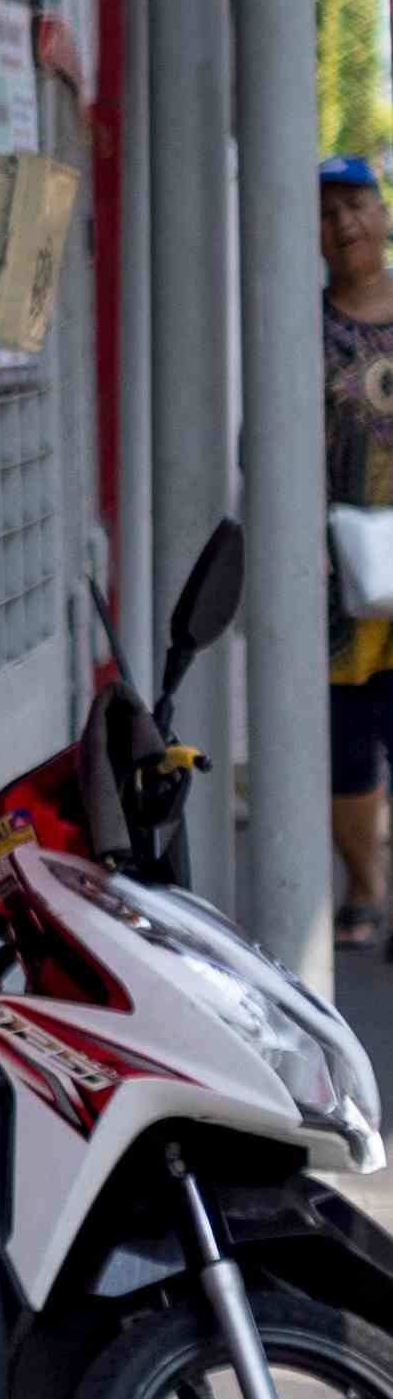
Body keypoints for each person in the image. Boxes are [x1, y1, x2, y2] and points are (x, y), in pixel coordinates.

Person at [324, 163, 389, 957]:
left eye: (357, 205)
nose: (346, 223)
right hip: (338, 581)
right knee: (347, 741)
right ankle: (365, 888)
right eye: (329, 212)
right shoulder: (306, 326)